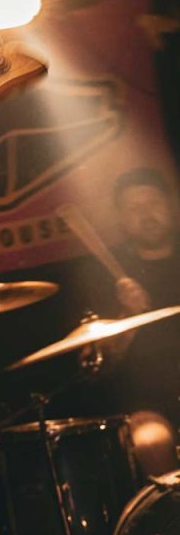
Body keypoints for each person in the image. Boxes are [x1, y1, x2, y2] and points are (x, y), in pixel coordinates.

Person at [86, 167, 180, 474]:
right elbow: (100, 362)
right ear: (121, 221)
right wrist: (129, 315)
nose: (146, 214)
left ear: (171, 206)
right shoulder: (107, 279)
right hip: (148, 404)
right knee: (151, 441)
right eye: (134, 208)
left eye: (153, 203)